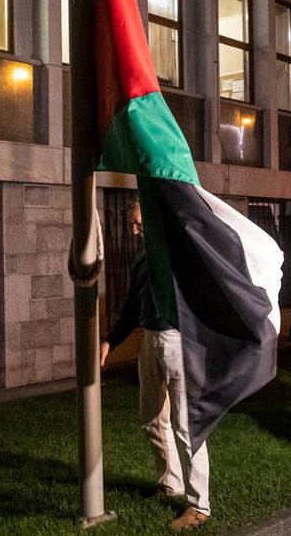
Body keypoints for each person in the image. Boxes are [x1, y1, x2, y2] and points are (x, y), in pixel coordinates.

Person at [100, 198, 210, 530]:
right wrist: (110, 340)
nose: (134, 231)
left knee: (186, 426)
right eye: (132, 225)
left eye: (138, 224)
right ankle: (170, 483)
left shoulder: (178, 253)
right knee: (151, 418)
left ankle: (199, 505)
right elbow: (132, 306)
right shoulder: (143, 259)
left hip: (179, 341)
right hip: (150, 340)